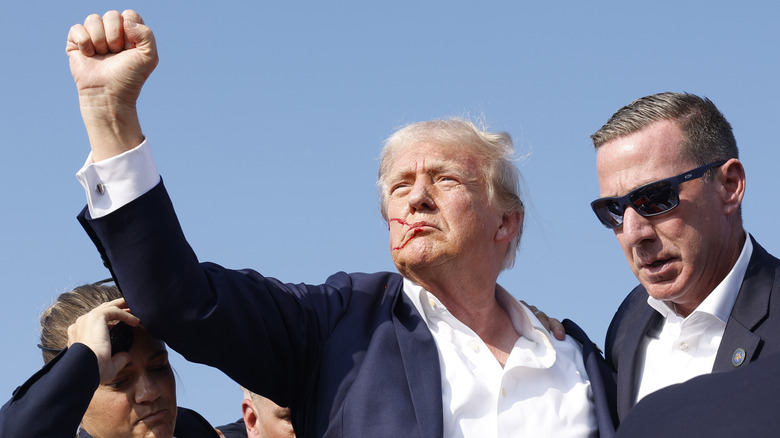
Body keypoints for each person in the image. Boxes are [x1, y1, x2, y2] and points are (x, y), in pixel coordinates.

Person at [68, 10, 617, 437]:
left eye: (445, 179)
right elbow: (181, 301)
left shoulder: (581, 359)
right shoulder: (335, 327)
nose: (417, 198)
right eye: (400, 186)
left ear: (506, 223)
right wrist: (110, 116)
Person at [589, 92, 780, 423]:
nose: (634, 234)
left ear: (729, 186)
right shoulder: (625, 327)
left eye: (655, 198)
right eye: (614, 210)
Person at [0, 281, 245, 438]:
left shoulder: (193, 431)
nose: (149, 392)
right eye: (119, 381)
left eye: (159, 368)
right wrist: (82, 360)